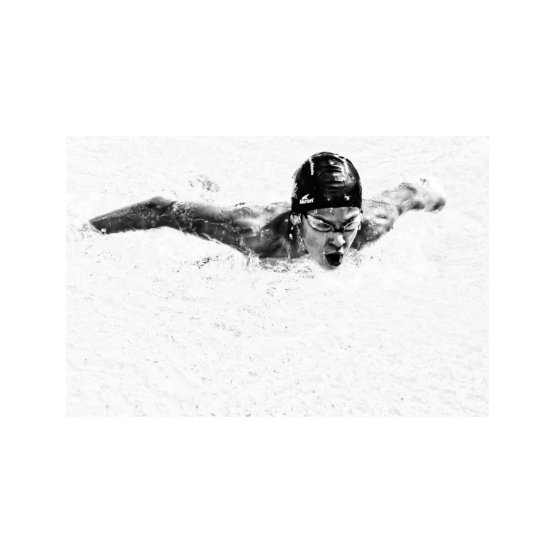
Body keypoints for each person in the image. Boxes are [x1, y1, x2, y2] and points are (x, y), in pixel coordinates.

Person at [89, 152, 446, 270]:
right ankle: (206, 187)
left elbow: (414, 191)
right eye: (324, 225)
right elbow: (160, 209)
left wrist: (435, 197)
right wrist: (83, 233)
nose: (340, 239)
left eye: (347, 223)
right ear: (298, 218)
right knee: (221, 207)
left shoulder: (372, 223)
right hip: (252, 214)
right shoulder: (255, 233)